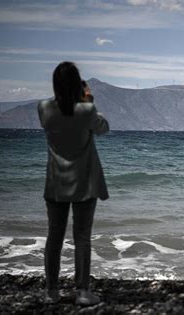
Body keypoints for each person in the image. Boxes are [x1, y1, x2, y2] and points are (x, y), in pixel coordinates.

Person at [38, 61, 109, 305]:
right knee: (82, 237)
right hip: (84, 182)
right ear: (78, 84)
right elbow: (103, 128)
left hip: (56, 181)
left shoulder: (44, 108)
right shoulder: (86, 110)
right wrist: (88, 102)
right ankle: (82, 292)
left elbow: (56, 119)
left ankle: (51, 291)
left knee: (54, 237)